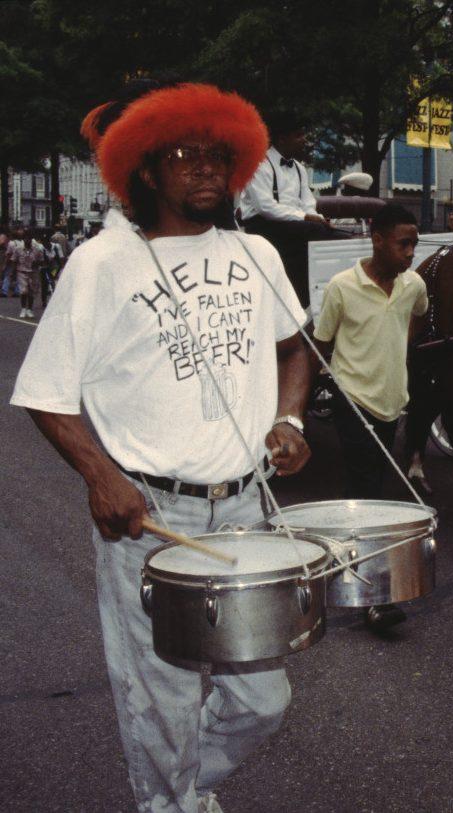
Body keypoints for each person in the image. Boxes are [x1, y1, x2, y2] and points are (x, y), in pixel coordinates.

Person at [11, 82, 312, 813]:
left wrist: (291, 419)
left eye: (218, 155)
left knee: (263, 697)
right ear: (145, 170)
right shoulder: (100, 264)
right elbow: (46, 394)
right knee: (164, 698)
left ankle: (177, 791)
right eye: (184, 156)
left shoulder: (256, 253)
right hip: (149, 518)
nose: (205, 169)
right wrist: (101, 475)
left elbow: (294, 345)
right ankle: (169, 802)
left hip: (245, 508)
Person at [312, 203, 428, 630]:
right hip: (354, 401)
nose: (410, 252)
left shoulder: (413, 285)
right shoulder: (342, 287)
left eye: (414, 243)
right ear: (377, 240)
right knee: (369, 492)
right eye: (403, 243)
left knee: (369, 491)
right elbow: (321, 343)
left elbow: (414, 321)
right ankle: (374, 597)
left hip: (391, 402)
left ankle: (341, 562)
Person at [238, 118, 340, 308]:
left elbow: (308, 202)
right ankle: (300, 299)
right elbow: (266, 207)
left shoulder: (300, 169)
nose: (304, 140)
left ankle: (318, 297)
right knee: (311, 235)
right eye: (298, 135)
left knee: (333, 235)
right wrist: (305, 218)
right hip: (262, 225)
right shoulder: (258, 165)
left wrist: (317, 218)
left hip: (293, 225)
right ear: (282, 139)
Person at [7, 228, 48, 319]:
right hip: (22, 271)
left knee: (31, 291)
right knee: (23, 290)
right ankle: (23, 309)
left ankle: (29, 309)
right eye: (25, 238)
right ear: (23, 239)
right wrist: (12, 274)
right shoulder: (18, 249)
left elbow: (42, 261)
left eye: (29, 239)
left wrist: (37, 263)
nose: (27, 241)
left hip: (33, 272)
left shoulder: (38, 249)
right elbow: (14, 260)